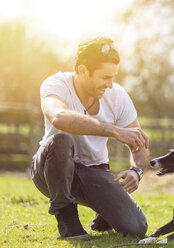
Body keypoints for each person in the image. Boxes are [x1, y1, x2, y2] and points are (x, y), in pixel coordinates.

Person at [31, 37, 150, 240]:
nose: (110, 84)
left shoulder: (118, 95)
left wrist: (136, 170)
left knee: (136, 227)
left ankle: (102, 209)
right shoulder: (56, 84)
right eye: (105, 77)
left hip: (93, 172)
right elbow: (58, 117)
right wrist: (113, 131)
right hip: (50, 170)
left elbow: (140, 143)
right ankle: (67, 220)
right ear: (83, 70)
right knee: (61, 141)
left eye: (113, 77)